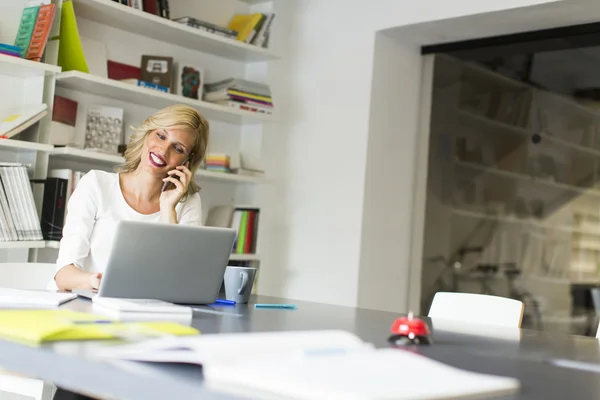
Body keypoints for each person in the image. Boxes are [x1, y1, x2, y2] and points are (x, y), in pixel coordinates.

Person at [51, 104, 209, 292]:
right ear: (147, 134)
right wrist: (97, 283)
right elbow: (63, 275)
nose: (163, 150)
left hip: (145, 310)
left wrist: (168, 209)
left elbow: (180, 280)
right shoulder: (96, 184)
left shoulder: (187, 202)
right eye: (161, 135)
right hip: (82, 304)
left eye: (178, 148)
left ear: (187, 162)